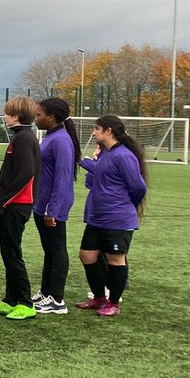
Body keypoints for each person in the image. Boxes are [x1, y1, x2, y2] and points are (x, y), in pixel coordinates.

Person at [75, 116, 148, 317]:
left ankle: (113, 303)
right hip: (97, 218)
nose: (93, 132)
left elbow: (139, 187)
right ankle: (99, 298)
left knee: (116, 260)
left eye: (96, 128)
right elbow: (96, 180)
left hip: (117, 219)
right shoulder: (106, 154)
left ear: (108, 131)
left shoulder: (124, 156)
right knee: (87, 256)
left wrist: (125, 206)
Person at [0, 95, 42, 321]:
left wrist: (5, 200)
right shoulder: (21, 137)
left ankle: (26, 303)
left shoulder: (24, 139)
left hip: (17, 205)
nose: (4, 117)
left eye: (7, 114)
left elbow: (26, 173)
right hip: (14, 204)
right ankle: (11, 299)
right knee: (8, 252)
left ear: (16, 117)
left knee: (13, 253)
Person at [31, 97, 82, 315]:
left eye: (39, 115)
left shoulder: (61, 140)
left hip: (52, 207)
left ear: (51, 117)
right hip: (42, 204)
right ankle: (46, 292)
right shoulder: (52, 137)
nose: (36, 119)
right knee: (49, 251)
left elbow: (63, 178)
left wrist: (53, 209)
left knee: (57, 249)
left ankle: (57, 299)